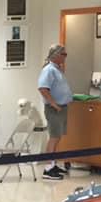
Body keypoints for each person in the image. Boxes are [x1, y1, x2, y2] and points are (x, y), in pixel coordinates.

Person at [37, 43, 72, 180]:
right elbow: (43, 88)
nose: (65, 57)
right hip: (54, 109)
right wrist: (53, 103)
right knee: (53, 137)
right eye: (64, 54)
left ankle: (53, 163)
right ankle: (48, 168)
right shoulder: (49, 70)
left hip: (61, 107)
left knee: (57, 137)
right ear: (56, 55)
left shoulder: (58, 69)